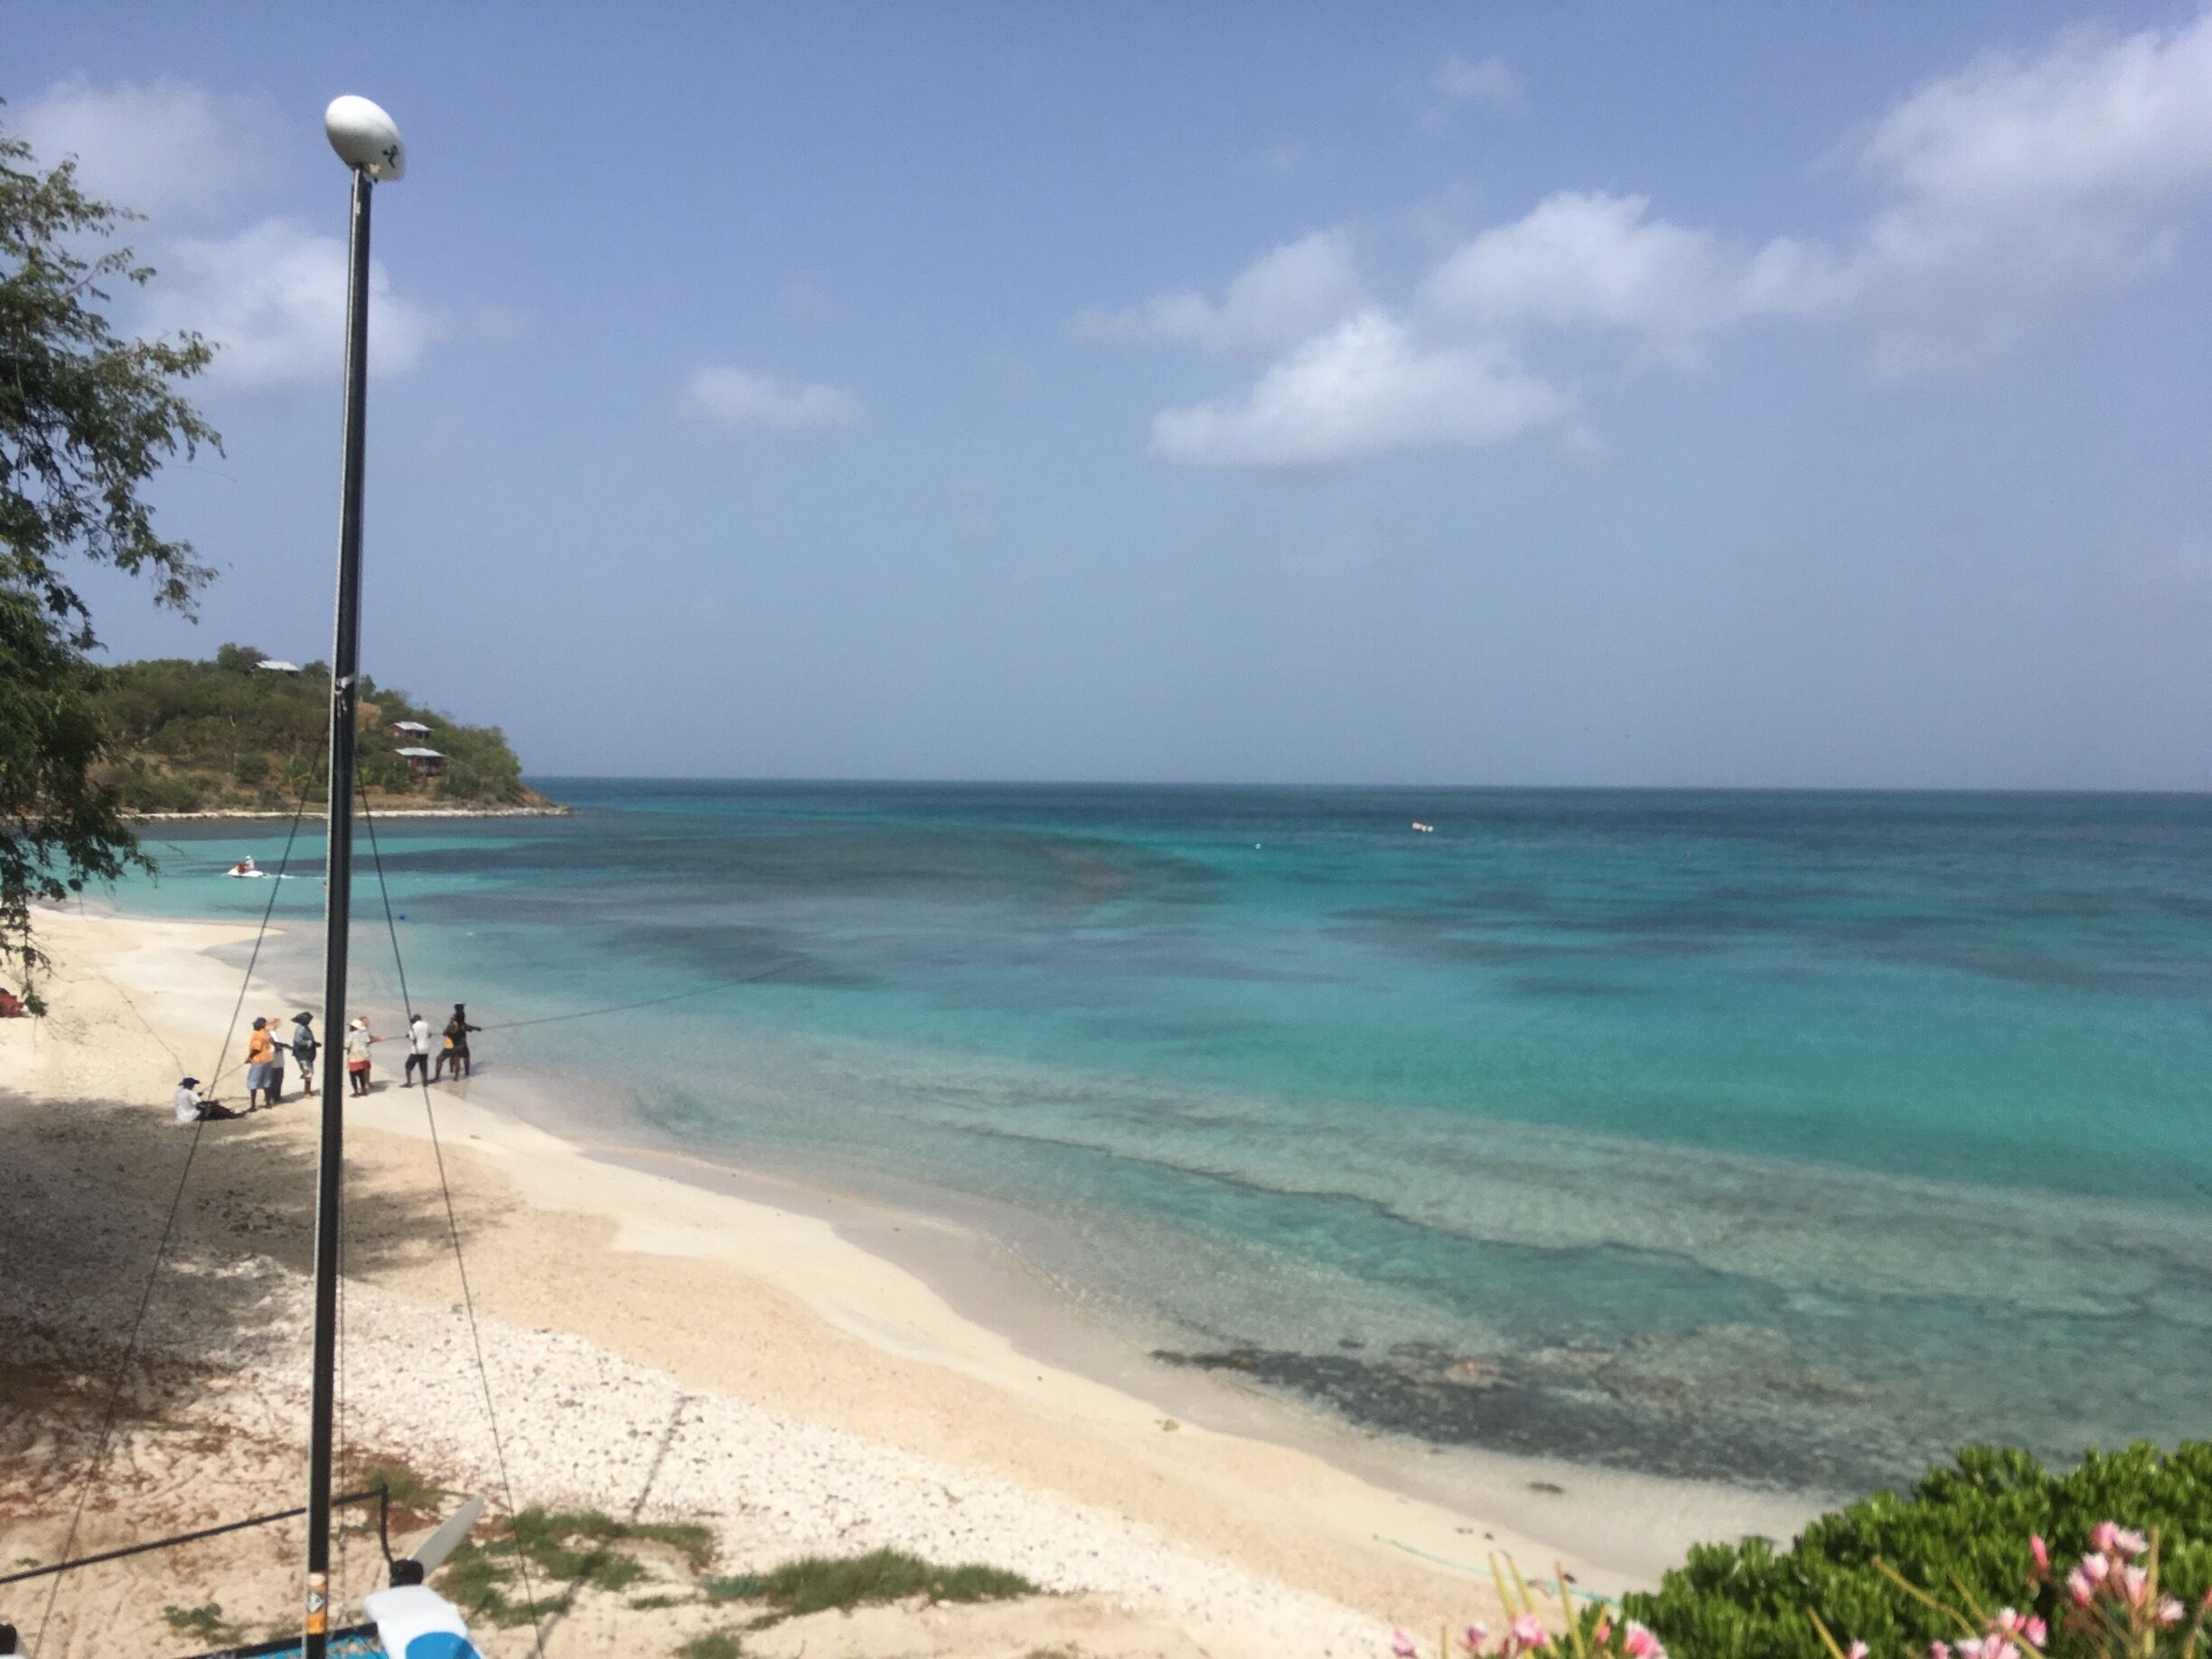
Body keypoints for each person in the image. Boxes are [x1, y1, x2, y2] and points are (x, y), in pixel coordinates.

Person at [434, 1002, 482, 1081]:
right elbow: (466, 1026)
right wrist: (475, 1028)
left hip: (451, 1045)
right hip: (461, 1044)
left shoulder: (454, 1019)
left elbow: (445, 1033)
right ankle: (462, 1074)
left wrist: (448, 1030)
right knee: (465, 1057)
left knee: (439, 1059)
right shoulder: (462, 1018)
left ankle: (438, 1077)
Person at [245, 1017, 281, 1110]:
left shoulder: (256, 1034)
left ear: (260, 1025)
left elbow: (257, 1049)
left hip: (258, 1060)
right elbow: (275, 1044)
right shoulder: (267, 1033)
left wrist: (249, 1058)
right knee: (266, 1081)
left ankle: (253, 1106)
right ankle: (268, 1104)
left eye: (255, 1024)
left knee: (253, 1082)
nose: (254, 1025)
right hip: (268, 1060)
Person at [174, 1077, 241, 1124]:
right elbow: (201, 1103)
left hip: (182, 1116)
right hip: (192, 1116)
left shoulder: (180, 1092)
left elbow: (188, 1100)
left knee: (210, 1108)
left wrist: (197, 1095)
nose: (193, 1086)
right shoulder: (190, 1093)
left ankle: (227, 1111)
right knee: (215, 1107)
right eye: (193, 1085)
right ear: (190, 1085)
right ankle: (232, 1115)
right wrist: (213, 1103)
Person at [345, 1016, 380, 1096]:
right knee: (361, 1074)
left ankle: (356, 1092)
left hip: (354, 1057)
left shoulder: (351, 1035)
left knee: (353, 1075)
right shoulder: (364, 1034)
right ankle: (364, 1090)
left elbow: (346, 1045)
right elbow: (368, 1042)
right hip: (364, 1057)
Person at [290, 1011, 319, 1096]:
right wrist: (310, 1043)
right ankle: (307, 1092)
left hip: (306, 1054)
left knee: (308, 1072)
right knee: (308, 1073)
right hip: (303, 1054)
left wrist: (314, 1043)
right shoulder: (301, 1029)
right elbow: (298, 1041)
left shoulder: (304, 1027)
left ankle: (307, 1090)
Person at [405, 1010, 434, 1087]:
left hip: (417, 1049)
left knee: (408, 1066)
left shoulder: (414, 1026)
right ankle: (425, 1082)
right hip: (426, 1048)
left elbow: (412, 1038)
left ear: (415, 1020)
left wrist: (408, 1036)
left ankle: (408, 1083)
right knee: (423, 1065)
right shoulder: (426, 1024)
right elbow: (430, 1035)